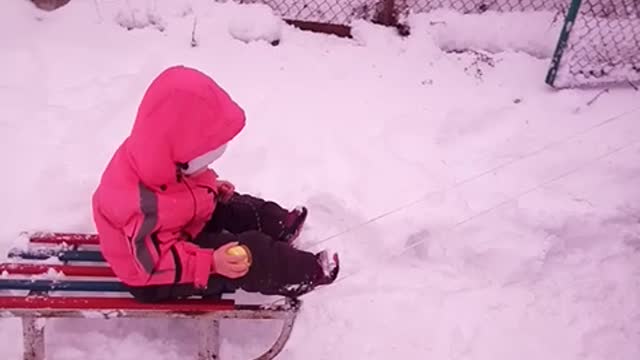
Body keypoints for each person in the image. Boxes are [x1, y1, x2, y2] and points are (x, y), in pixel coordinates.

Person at [91, 65, 339, 302]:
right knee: (245, 256)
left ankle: (280, 223)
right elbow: (151, 263)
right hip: (156, 274)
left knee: (231, 206)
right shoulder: (141, 206)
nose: (206, 165)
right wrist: (211, 262)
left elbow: (180, 182)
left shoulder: (157, 152)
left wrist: (208, 185)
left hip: (174, 226)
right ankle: (304, 271)